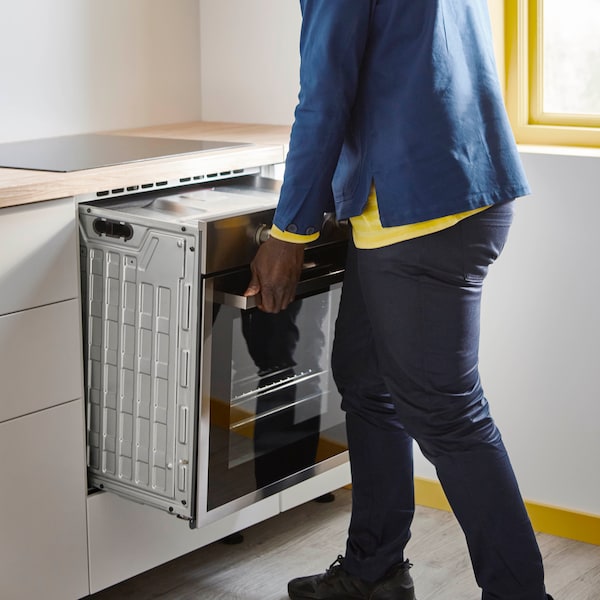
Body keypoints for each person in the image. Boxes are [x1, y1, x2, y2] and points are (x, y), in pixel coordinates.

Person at [245, 2, 553, 599]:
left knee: (446, 414)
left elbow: (324, 98)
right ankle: (375, 570)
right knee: (365, 380)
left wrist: (289, 232)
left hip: (420, 213)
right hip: (441, 190)